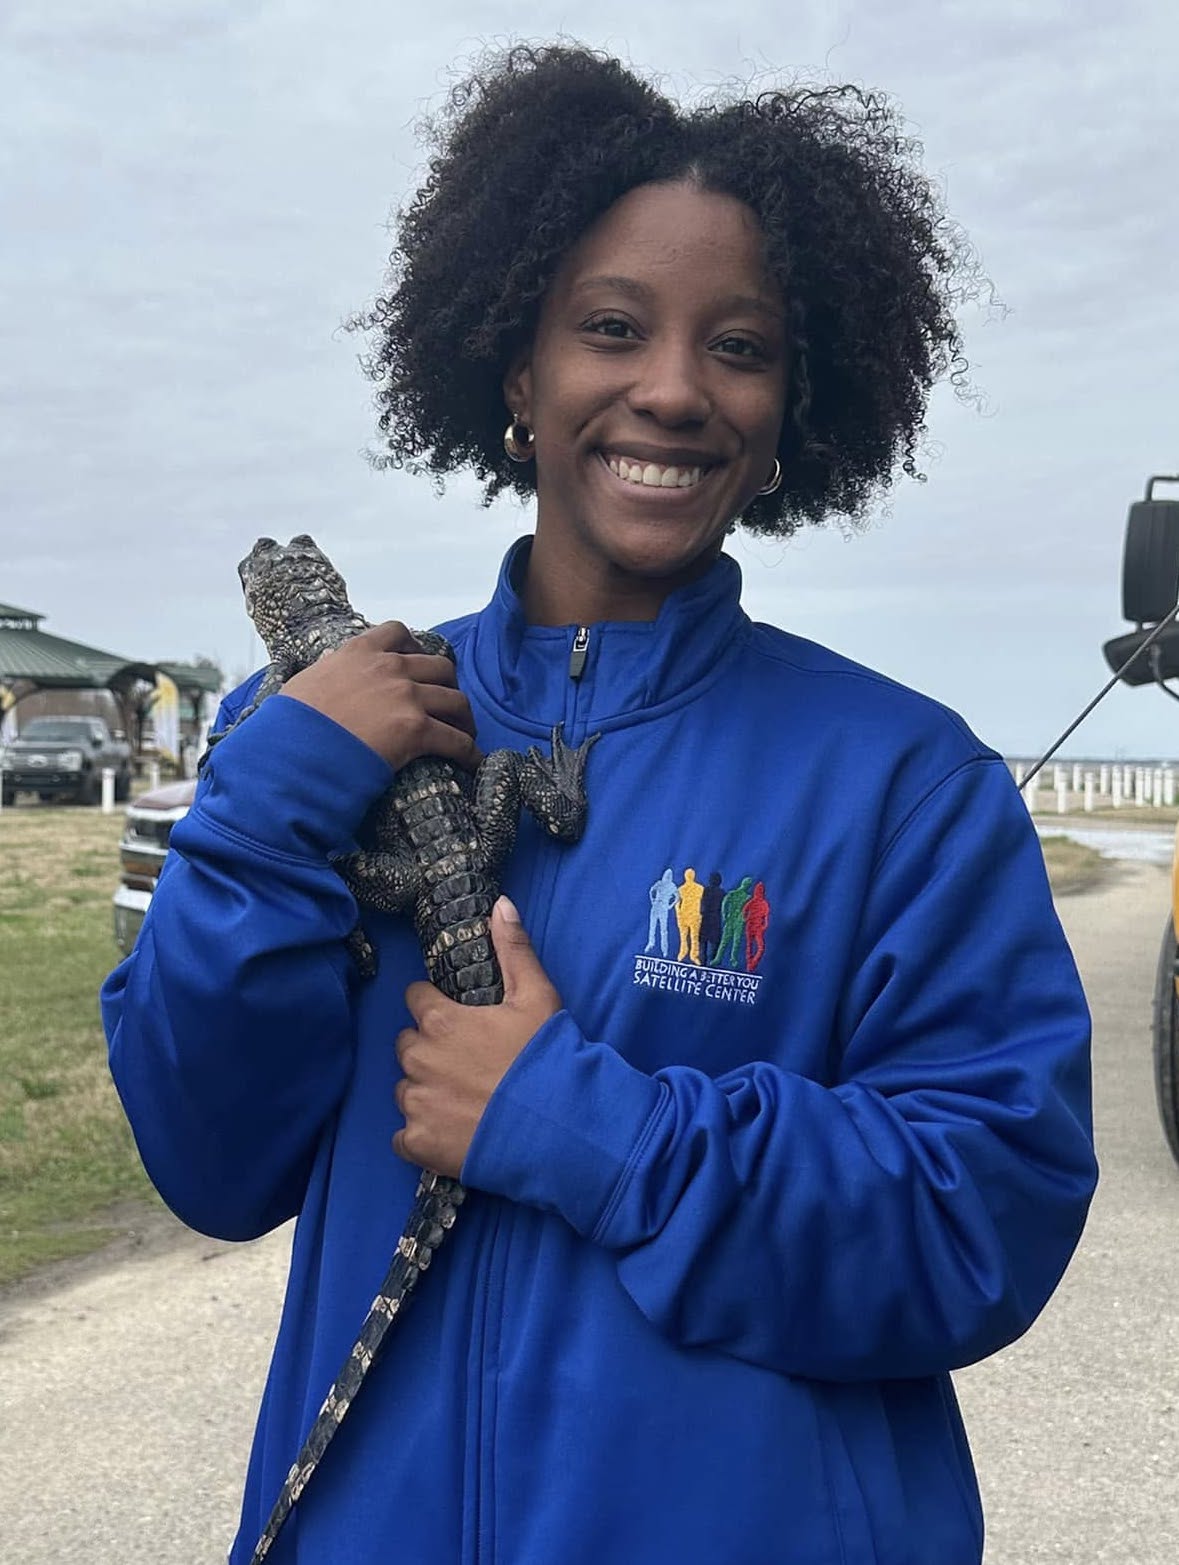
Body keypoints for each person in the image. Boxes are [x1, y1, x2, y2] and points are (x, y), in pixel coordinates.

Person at [102, 43, 1097, 1565]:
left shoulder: (908, 782)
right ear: (518, 369)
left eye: (740, 346)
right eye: (612, 328)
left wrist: (590, 1126)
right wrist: (266, 799)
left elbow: (986, 1220)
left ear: (791, 407)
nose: (675, 388)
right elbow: (211, 1161)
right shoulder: (298, 744)